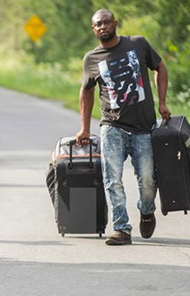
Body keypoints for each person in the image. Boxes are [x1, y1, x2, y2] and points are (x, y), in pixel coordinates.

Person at [76, 9, 171, 245]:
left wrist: (162, 102)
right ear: (93, 29)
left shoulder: (137, 44)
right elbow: (86, 91)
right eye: (98, 24)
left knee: (148, 180)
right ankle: (121, 228)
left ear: (115, 23)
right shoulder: (91, 59)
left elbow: (160, 68)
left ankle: (146, 211)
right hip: (112, 126)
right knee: (112, 179)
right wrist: (84, 128)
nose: (103, 27)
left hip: (143, 127)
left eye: (107, 22)